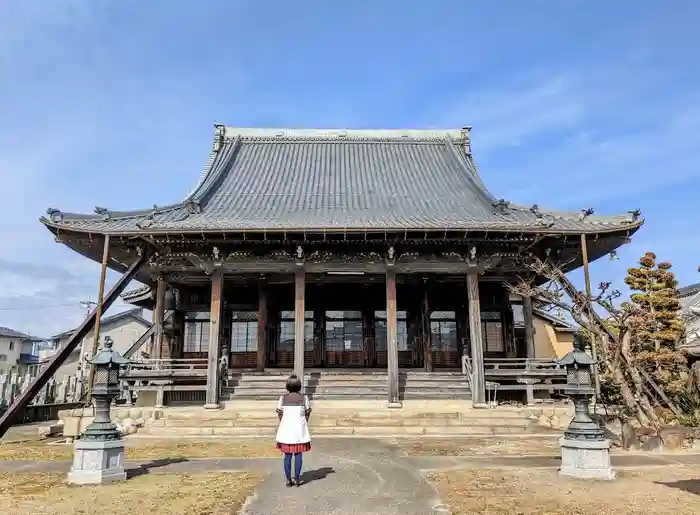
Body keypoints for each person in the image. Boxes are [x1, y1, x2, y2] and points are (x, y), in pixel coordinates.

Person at [275, 374, 311, 487]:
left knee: (288, 455)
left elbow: (280, 413)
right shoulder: (304, 398)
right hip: (299, 430)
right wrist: (302, 422)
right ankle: (297, 479)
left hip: (287, 429)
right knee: (298, 454)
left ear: (288, 385)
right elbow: (307, 414)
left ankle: (288, 480)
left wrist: (285, 422)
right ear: (299, 385)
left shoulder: (283, 398)